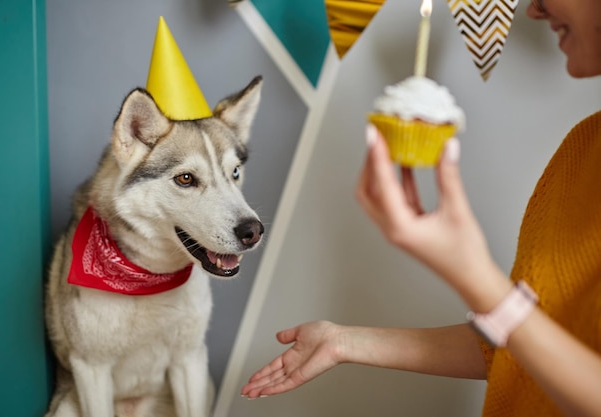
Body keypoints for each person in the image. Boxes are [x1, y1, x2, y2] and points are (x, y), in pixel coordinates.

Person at [241, 1, 601, 416]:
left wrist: (474, 277)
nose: (533, 10)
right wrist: (343, 341)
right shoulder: (583, 147)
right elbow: (520, 344)